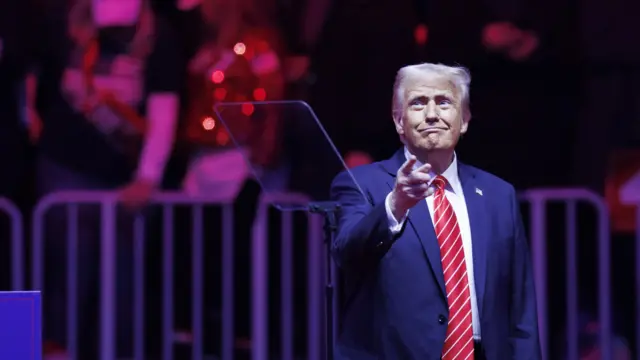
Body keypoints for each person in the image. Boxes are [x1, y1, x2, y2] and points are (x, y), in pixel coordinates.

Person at [330, 62, 540, 359]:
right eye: (418, 103)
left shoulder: (498, 194)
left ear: (464, 119)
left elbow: (520, 309)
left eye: (444, 102)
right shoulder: (362, 183)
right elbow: (347, 253)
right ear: (398, 121)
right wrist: (396, 204)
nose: (432, 114)